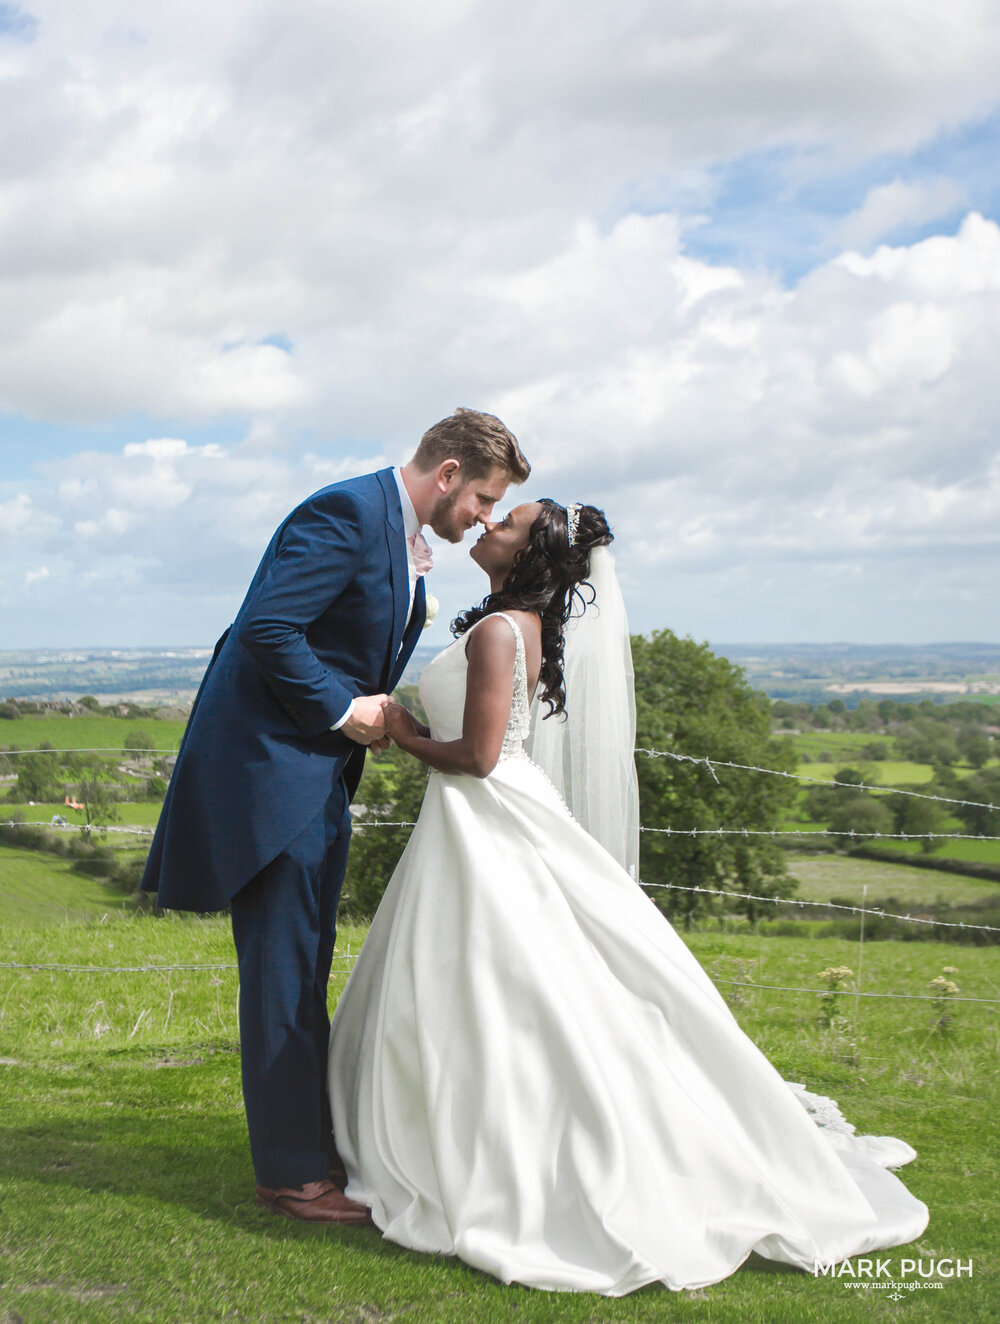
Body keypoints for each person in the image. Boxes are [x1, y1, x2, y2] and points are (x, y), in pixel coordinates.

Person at [326, 499, 929, 1294]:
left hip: (487, 813)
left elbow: (476, 755)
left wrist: (398, 726)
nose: (487, 525)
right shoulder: (510, 624)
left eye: (506, 521)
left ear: (534, 550)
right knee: (488, 980)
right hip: (479, 818)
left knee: (499, 978)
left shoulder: (503, 631)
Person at [140, 408, 530, 1224]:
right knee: (284, 978)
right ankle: (292, 1178)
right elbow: (266, 629)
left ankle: (312, 1156)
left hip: (313, 777)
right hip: (272, 777)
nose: (484, 519)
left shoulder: (401, 537)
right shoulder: (349, 513)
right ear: (449, 472)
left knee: (305, 969)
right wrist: (344, 711)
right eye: (485, 500)